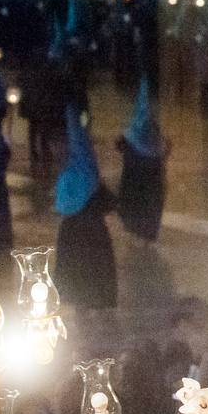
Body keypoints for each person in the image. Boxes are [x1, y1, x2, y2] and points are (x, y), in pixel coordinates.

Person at [54, 106, 118, 310]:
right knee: (94, 270)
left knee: (77, 271)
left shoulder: (68, 176)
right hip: (94, 233)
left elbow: (61, 205)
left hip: (72, 232)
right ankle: (94, 304)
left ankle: (81, 303)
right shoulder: (90, 176)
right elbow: (109, 202)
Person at [115, 76, 167, 244]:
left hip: (137, 169)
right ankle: (146, 233)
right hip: (151, 171)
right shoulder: (154, 136)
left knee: (136, 199)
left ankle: (139, 231)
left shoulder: (135, 133)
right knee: (150, 201)